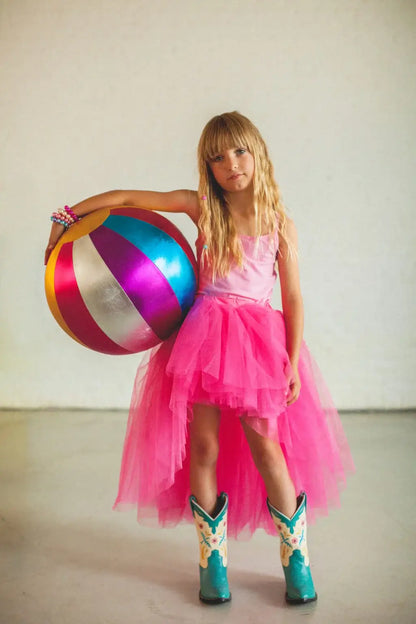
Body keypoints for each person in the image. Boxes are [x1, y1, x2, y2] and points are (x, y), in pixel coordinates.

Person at [45, 111, 355, 606]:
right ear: (207, 167)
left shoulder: (281, 225)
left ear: (257, 152)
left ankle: (296, 558)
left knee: (267, 447)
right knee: (204, 448)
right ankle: (213, 561)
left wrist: (291, 361)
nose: (230, 164)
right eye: (217, 158)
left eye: (238, 152)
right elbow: (126, 199)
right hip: (205, 340)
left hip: (256, 343)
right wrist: (65, 220)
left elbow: (293, 297)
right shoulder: (201, 208)